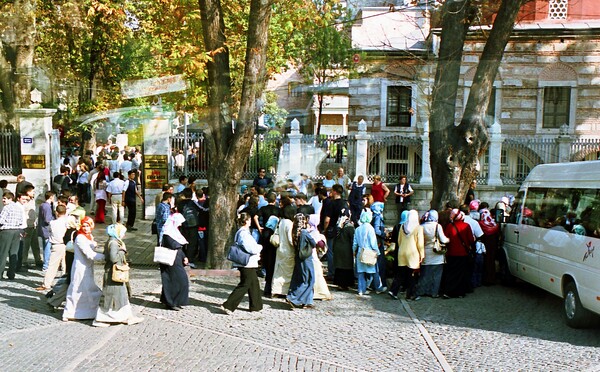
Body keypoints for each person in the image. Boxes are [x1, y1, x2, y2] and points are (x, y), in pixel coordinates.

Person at [93, 223, 144, 327]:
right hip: (113, 273)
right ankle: (101, 319)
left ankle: (127, 317)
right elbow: (113, 258)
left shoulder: (114, 241)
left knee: (120, 296)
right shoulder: (114, 243)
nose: (123, 235)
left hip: (115, 273)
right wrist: (122, 251)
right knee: (110, 297)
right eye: (123, 233)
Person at [63, 217, 105, 321]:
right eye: (84, 226)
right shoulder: (80, 238)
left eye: (88, 226)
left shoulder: (89, 236)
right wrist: (105, 257)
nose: (86, 228)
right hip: (80, 267)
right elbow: (89, 254)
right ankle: (70, 312)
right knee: (77, 289)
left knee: (87, 289)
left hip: (88, 267)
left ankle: (87, 312)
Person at [221, 212, 263, 314]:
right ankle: (228, 305)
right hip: (247, 263)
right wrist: (259, 247)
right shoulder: (244, 233)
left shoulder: (241, 232)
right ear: (247, 221)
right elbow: (251, 248)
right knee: (245, 284)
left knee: (253, 283)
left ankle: (256, 306)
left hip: (247, 263)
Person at [286, 213, 317, 308]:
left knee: (302, 278)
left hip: (298, 257)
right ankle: (293, 297)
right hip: (306, 258)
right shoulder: (304, 232)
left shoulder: (294, 231)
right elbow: (313, 243)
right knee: (309, 279)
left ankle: (307, 301)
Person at [442, 209, 475, 299]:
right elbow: (471, 240)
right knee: (461, 273)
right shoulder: (466, 226)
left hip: (452, 253)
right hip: (463, 253)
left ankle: (449, 291)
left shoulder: (449, 226)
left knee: (451, 273)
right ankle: (460, 292)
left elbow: (446, 238)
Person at [159, 213, 189, 310]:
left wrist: (184, 256)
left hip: (176, 259)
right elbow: (175, 246)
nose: (180, 225)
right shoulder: (168, 233)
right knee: (177, 280)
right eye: (179, 222)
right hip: (171, 260)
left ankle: (173, 301)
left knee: (175, 280)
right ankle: (171, 302)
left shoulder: (173, 232)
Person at [416, 210, 449, 298]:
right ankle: (434, 292)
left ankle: (422, 291)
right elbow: (443, 239)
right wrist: (448, 240)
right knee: (436, 275)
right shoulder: (438, 226)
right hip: (436, 253)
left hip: (425, 252)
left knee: (425, 274)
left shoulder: (422, 226)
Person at [353, 210, 386, 296]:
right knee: (374, 271)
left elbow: (355, 243)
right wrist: (377, 252)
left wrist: (353, 251)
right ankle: (378, 287)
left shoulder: (357, 229)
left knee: (361, 272)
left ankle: (361, 289)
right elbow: (373, 243)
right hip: (369, 252)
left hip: (360, 252)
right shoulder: (370, 228)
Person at [37, 205, 68, 291]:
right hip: (66, 244)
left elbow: (51, 232)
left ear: (56, 212)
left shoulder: (53, 223)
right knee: (65, 265)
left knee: (52, 266)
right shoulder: (67, 222)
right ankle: (65, 284)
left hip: (56, 244)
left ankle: (46, 284)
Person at [321, 184, 348, 279]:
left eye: (331, 191)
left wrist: (325, 229)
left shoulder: (331, 203)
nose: (330, 193)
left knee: (330, 252)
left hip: (331, 229)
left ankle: (331, 273)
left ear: (335, 192)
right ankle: (339, 272)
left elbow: (327, 219)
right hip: (341, 230)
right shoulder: (344, 203)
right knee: (339, 252)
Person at [0, 192, 27, 280]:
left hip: (6, 231)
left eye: (6, 198)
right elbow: (20, 221)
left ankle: (0, 273)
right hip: (16, 231)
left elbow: (1, 220)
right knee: (13, 253)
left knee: (3, 253)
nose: (3, 200)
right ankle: (11, 273)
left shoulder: (6, 208)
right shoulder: (18, 208)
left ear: (11, 199)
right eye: (3, 198)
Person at [271, 205, 296, 297]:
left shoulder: (281, 222)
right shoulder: (289, 223)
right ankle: (284, 291)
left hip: (280, 249)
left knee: (278, 270)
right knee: (287, 272)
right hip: (287, 250)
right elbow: (290, 239)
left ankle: (275, 290)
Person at [307, 214, 331, 300]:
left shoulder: (308, 230)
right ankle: (320, 293)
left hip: (308, 255)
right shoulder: (315, 232)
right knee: (317, 275)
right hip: (313, 256)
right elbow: (321, 244)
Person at [177, 188, 201, 267]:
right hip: (193, 225)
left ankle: (182, 259)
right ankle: (190, 260)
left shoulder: (180, 203)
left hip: (183, 225)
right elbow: (201, 209)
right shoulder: (193, 203)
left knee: (182, 242)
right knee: (192, 244)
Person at [388, 210, 409, 299]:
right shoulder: (410, 227)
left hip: (398, 250)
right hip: (407, 250)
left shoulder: (397, 226)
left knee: (398, 269)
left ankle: (397, 286)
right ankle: (404, 286)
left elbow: (393, 240)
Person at [332, 212, 355, 290]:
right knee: (346, 266)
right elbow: (353, 238)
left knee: (339, 266)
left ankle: (339, 283)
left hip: (337, 247)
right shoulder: (349, 226)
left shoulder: (338, 224)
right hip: (346, 249)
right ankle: (345, 284)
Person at [37, 191, 56, 271]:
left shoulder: (42, 205)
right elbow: (48, 219)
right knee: (47, 248)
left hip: (42, 229)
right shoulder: (47, 206)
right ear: (51, 197)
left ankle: (46, 264)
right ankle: (46, 265)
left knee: (46, 247)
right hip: (46, 230)